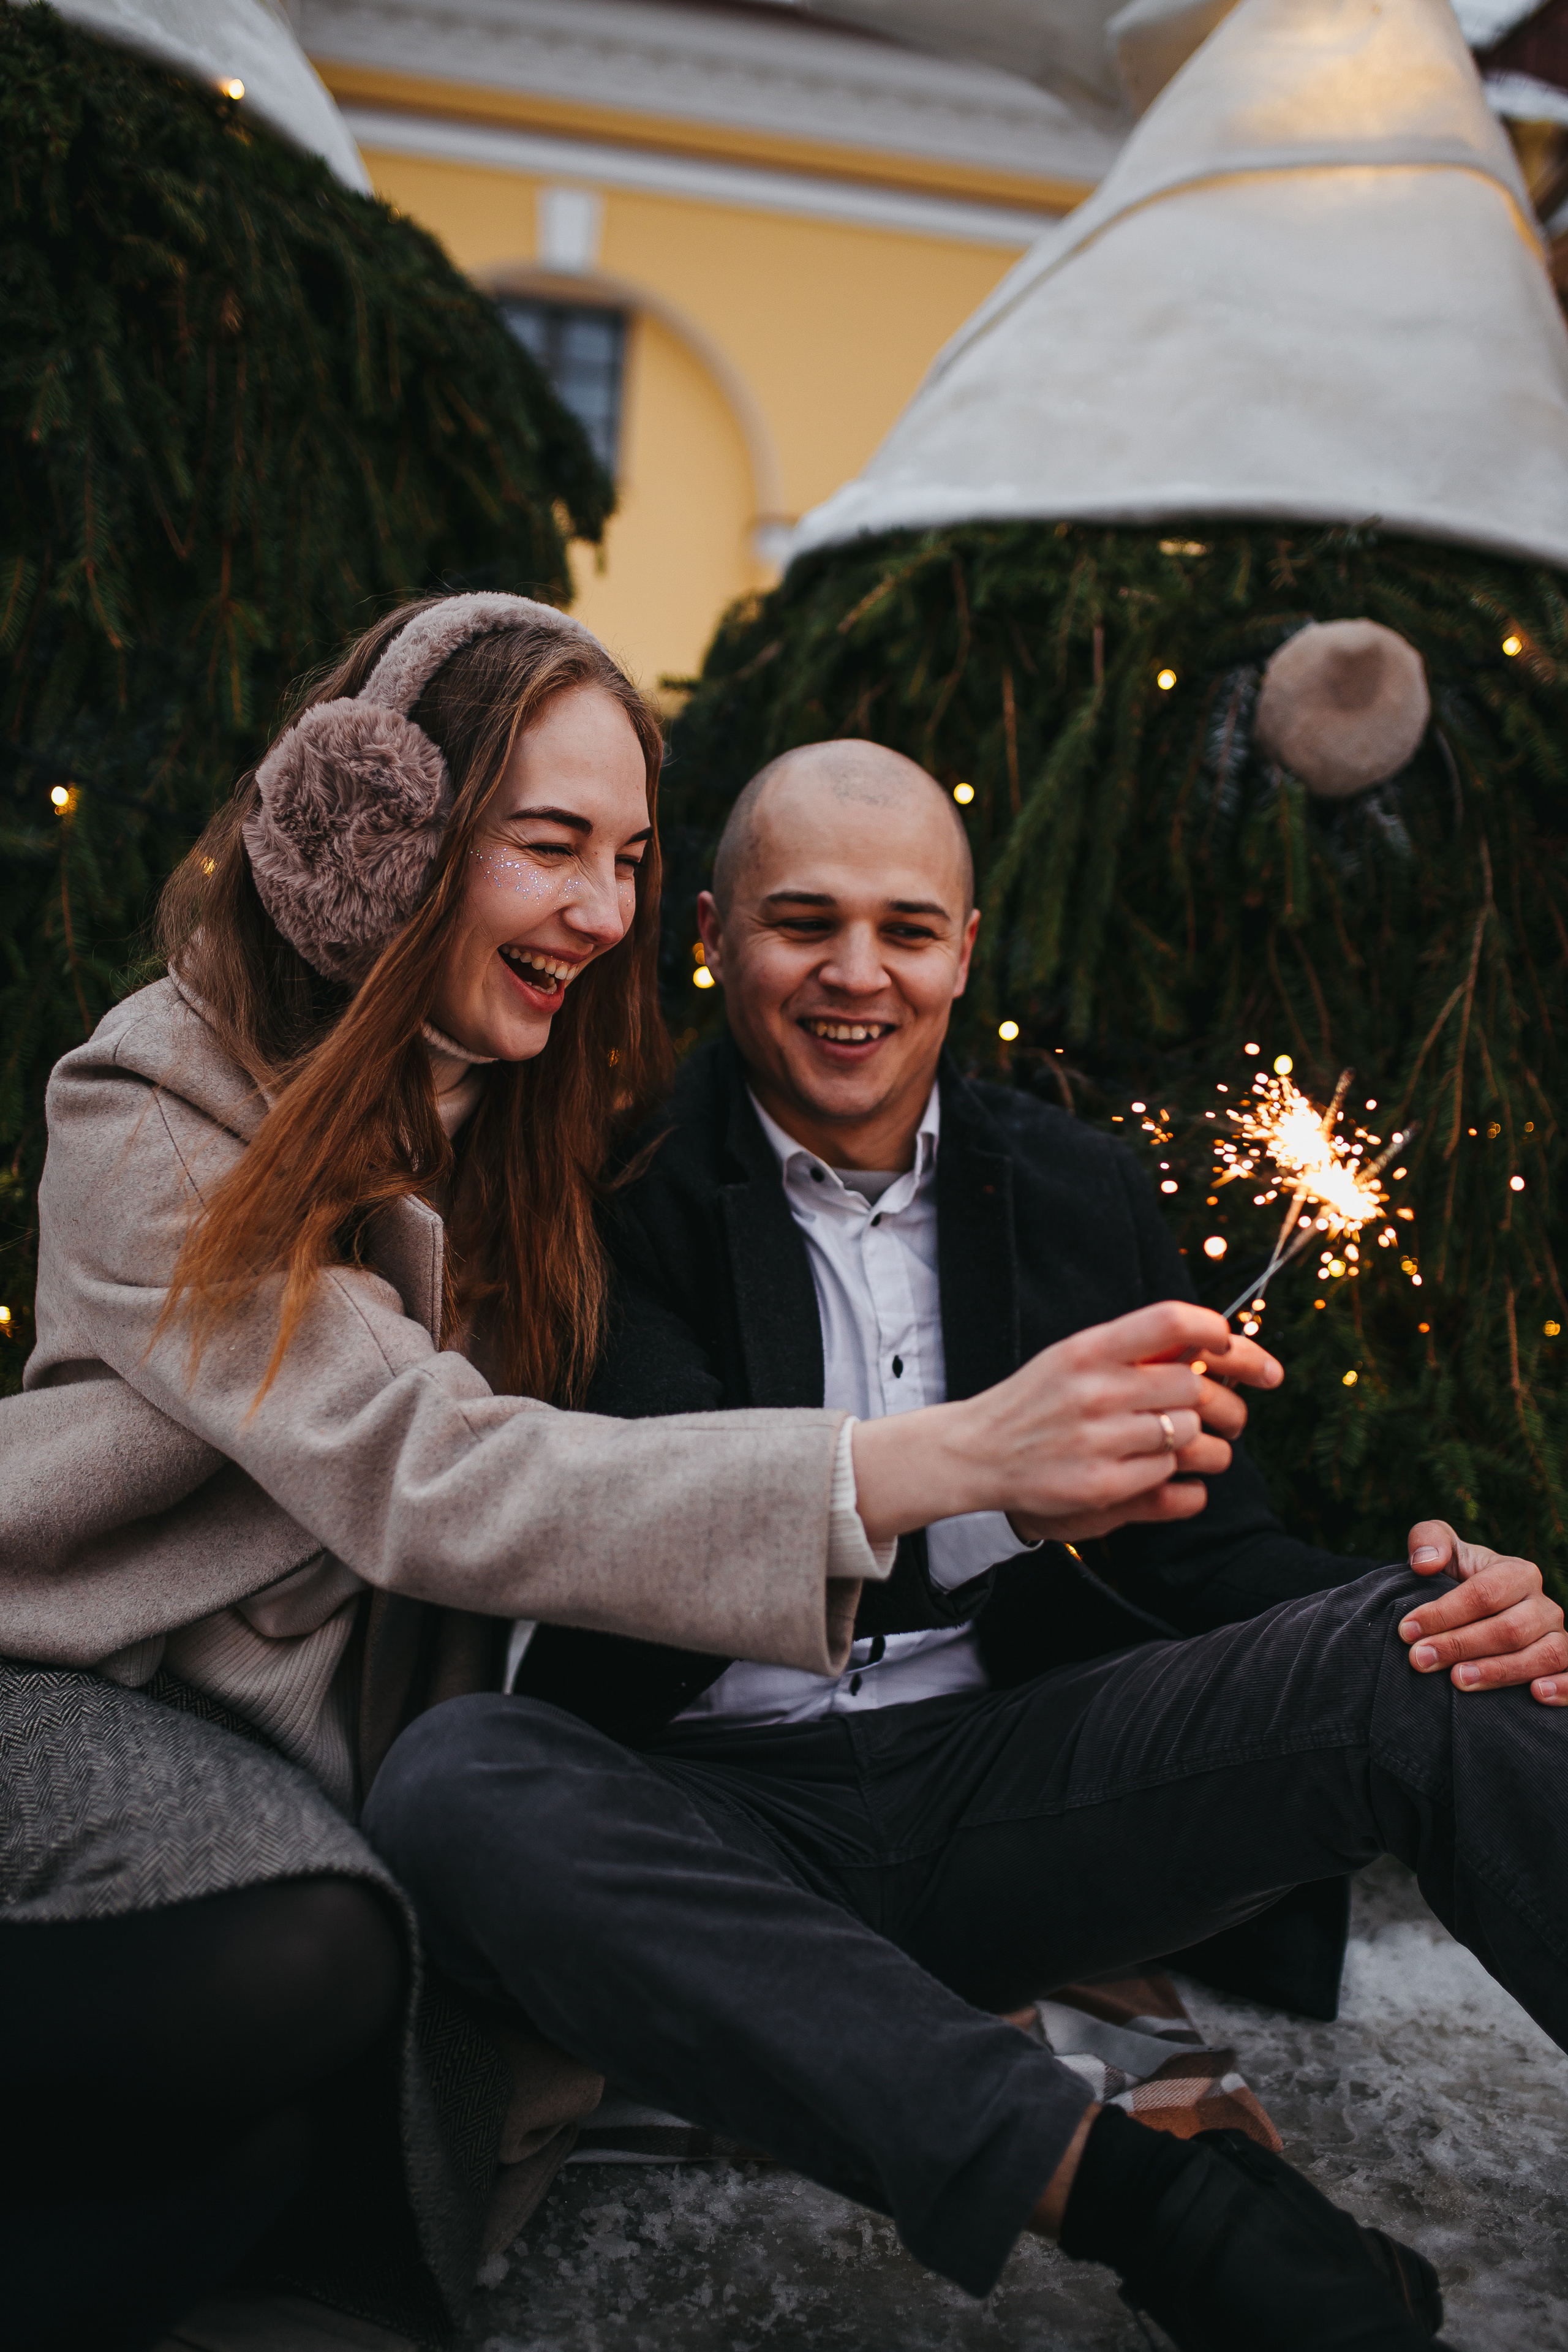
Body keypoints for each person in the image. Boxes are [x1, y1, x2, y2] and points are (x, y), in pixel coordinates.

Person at [0, 607, 1267, 2352]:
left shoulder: (534, 1123)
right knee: (311, 1960)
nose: (602, 913)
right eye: (549, 847)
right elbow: (434, 1475)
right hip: (104, 1691)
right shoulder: (152, 1102)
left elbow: (638, 1465)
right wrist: (953, 1456)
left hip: (343, 1767)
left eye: (626, 860)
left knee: (272, 2181)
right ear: (378, 840)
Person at [368, 739, 1568, 2352]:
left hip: (1017, 1793)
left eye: (908, 930)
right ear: (714, 934)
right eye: (805, 923)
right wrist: (999, 1488)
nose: (858, 974)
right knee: (458, 1782)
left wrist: (1422, 1600)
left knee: (1434, 1650)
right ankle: (1174, 2218)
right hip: (718, 1822)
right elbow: (658, 1541)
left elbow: (1208, 1562)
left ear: (966, 951)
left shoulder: (1076, 1187)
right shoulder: (602, 1179)